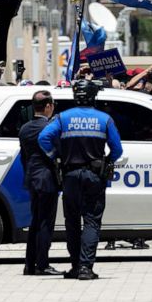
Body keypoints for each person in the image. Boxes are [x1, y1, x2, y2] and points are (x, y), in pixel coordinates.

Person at [38, 80, 122, 280]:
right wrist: (107, 161)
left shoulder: (62, 118)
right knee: (92, 221)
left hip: (70, 176)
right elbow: (117, 149)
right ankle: (86, 267)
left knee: (72, 222)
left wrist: (55, 156)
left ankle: (75, 266)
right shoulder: (104, 119)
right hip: (94, 176)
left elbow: (43, 138)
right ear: (93, 96)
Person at [19, 91, 62, 276]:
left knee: (35, 222)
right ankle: (42, 264)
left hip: (32, 179)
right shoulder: (50, 127)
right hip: (47, 179)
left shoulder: (25, 128)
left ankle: (30, 264)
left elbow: (24, 157)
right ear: (47, 106)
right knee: (45, 223)